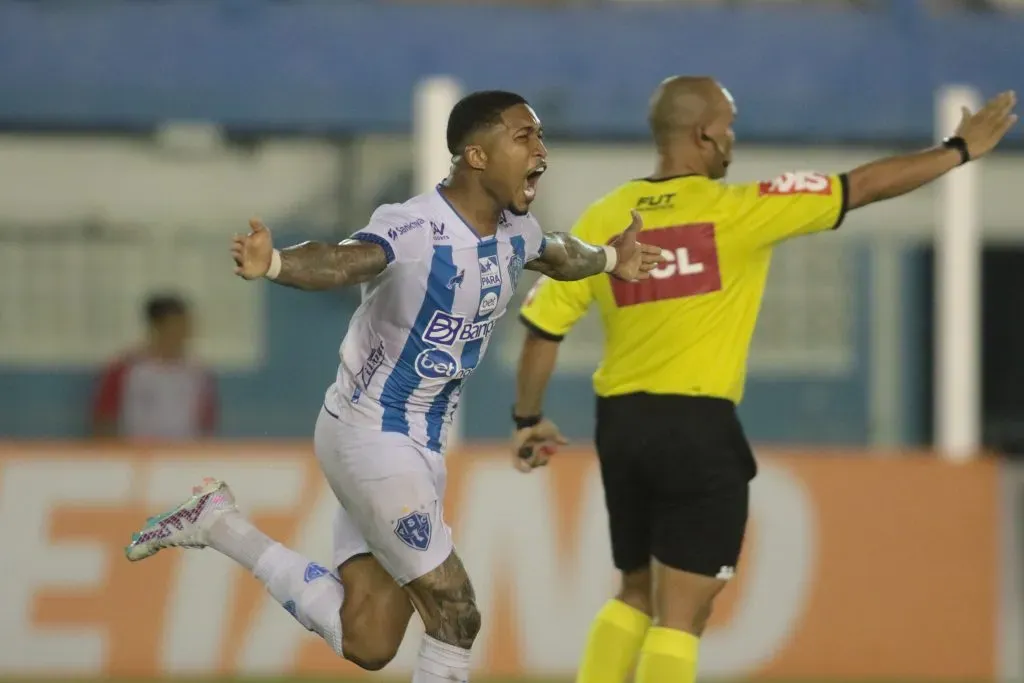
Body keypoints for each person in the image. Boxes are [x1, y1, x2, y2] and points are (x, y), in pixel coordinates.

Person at [122, 90, 664, 683]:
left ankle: (216, 523)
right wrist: (276, 263)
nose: (541, 150)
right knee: (456, 613)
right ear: (476, 155)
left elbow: (559, 253)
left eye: (540, 136)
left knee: (370, 640)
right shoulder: (415, 226)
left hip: (418, 448)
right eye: (524, 136)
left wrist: (611, 260)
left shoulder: (517, 231)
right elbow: (344, 259)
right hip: (372, 437)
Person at [511, 76, 1018, 683]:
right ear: (703, 134)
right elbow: (861, 187)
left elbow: (544, 326)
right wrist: (956, 151)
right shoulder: (740, 208)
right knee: (682, 616)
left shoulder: (607, 217)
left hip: (622, 425)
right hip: (698, 428)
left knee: (634, 594)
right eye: (728, 126)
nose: (732, 139)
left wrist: (527, 419)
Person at [91, 293, 217, 440]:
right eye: (176, 326)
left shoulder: (197, 372)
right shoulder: (126, 368)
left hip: (185, 456)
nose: (183, 333)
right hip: (138, 456)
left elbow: (206, 422)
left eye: (186, 326)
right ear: (157, 326)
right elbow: (105, 418)